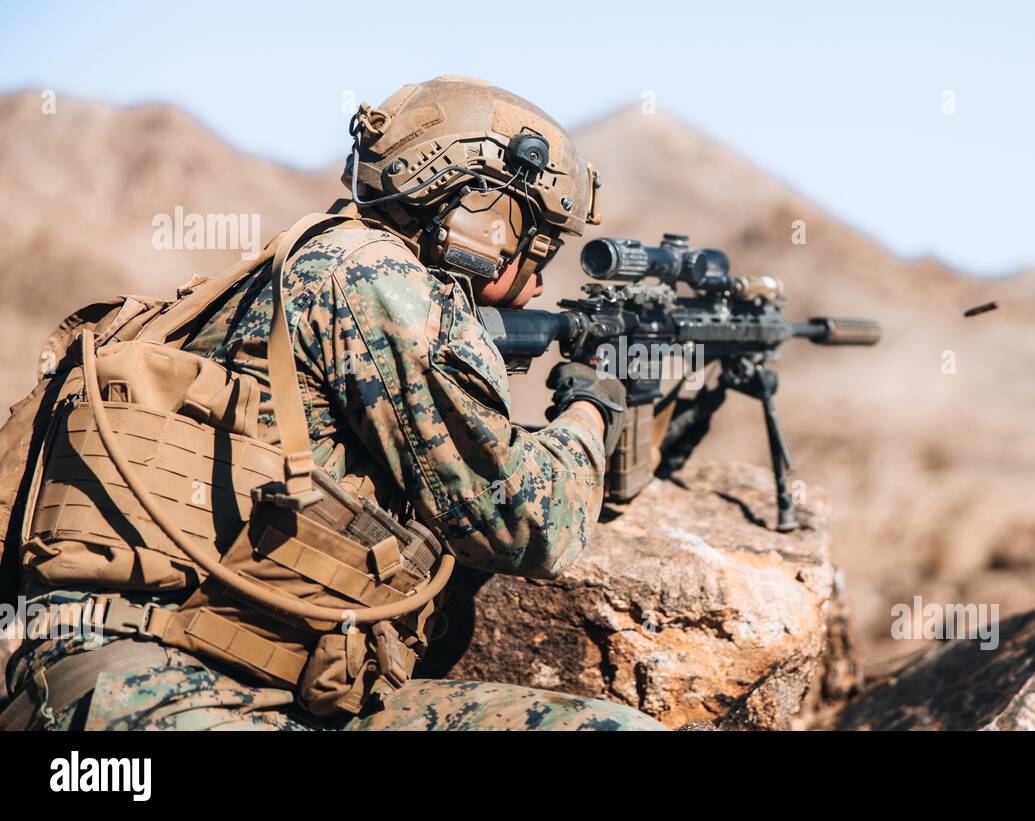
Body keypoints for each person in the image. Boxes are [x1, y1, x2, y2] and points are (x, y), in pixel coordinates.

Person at [0, 77, 667, 731]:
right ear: (485, 215)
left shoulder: (303, 262)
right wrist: (593, 402)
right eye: (539, 242)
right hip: (164, 691)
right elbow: (528, 523)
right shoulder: (375, 276)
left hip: (212, 681)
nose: (538, 278)